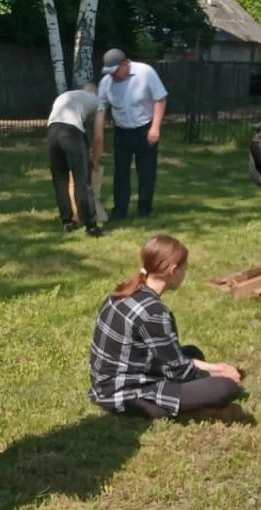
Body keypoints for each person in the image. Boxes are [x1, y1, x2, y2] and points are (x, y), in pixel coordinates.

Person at [89, 234, 243, 419]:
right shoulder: (153, 312)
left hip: (106, 384)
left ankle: (192, 403)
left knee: (193, 352)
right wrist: (219, 372)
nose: (185, 274)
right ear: (173, 270)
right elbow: (178, 370)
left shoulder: (123, 292)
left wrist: (215, 368)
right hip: (125, 395)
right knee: (226, 387)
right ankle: (190, 410)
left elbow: (168, 357)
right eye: (185, 269)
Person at [93, 48, 168, 220]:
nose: (112, 76)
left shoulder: (145, 72)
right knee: (121, 172)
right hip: (121, 131)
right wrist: (99, 139)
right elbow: (101, 110)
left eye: (115, 71)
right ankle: (119, 210)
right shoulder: (106, 82)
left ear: (125, 64)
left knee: (146, 171)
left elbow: (160, 98)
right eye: (109, 72)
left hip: (145, 129)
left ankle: (144, 208)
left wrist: (155, 128)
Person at [46, 82, 104, 236]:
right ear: (94, 93)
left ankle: (67, 221)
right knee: (82, 181)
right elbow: (99, 137)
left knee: (60, 180)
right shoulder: (98, 101)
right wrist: (95, 160)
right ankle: (91, 226)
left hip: (52, 132)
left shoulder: (66, 96)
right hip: (71, 133)